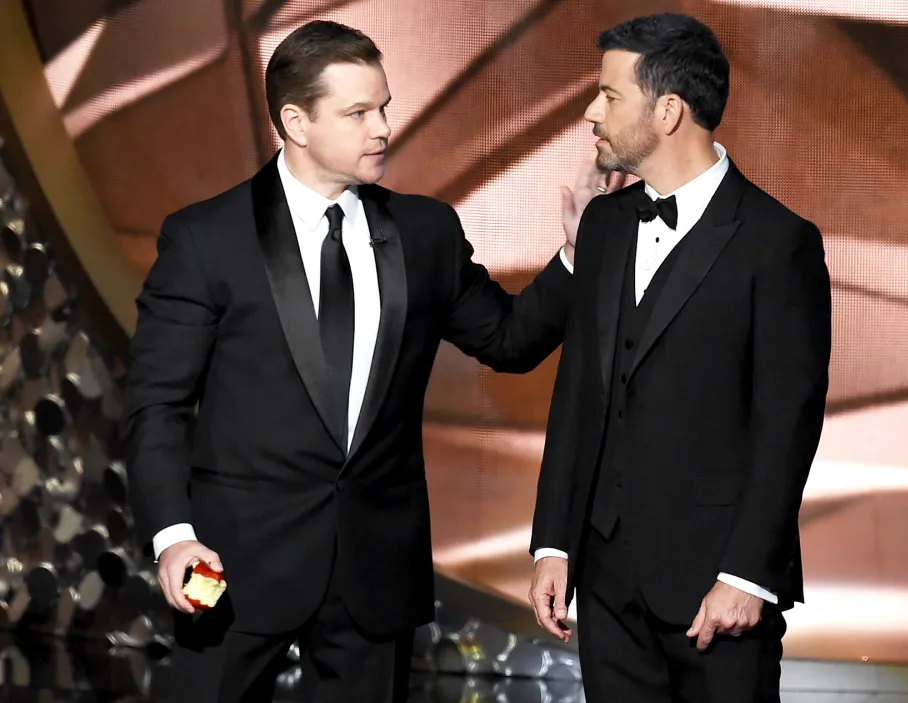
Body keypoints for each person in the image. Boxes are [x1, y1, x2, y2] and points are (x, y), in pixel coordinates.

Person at [122, 20, 603, 703]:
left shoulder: (424, 231)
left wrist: (575, 254)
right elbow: (155, 406)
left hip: (374, 570)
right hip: (231, 564)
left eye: (383, 107)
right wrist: (173, 537)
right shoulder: (207, 238)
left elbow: (509, 341)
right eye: (357, 113)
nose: (382, 127)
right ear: (295, 120)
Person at [528, 12, 832, 703]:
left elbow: (788, 421)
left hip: (716, 592)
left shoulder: (777, 242)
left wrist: (748, 575)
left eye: (608, 96)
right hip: (605, 586)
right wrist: (553, 543)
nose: (589, 112)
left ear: (668, 111)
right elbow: (578, 392)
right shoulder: (604, 225)